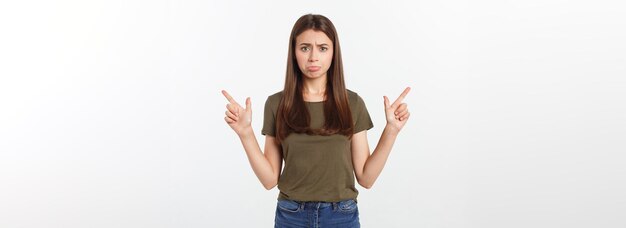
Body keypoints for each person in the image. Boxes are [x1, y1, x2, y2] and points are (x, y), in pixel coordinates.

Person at [221, 13, 410, 228]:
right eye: (304, 48)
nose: (313, 57)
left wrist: (391, 130)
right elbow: (269, 180)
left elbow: (366, 178)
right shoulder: (276, 104)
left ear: (333, 53)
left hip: (341, 216)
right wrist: (245, 133)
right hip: (291, 216)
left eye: (322, 48)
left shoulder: (352, 103)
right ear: (294, 52)